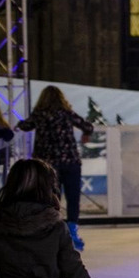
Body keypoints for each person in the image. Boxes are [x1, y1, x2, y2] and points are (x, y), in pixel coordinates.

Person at [17, 86, 95, 249]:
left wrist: (17, 124)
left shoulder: (39, 115)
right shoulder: (67, 114)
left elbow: (25, 126)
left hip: (48, 164)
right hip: (70, 161)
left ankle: (53, 231)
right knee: (73, 198)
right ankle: (73, 233)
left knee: (51, 199)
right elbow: (87, 126)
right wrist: (85, 135)